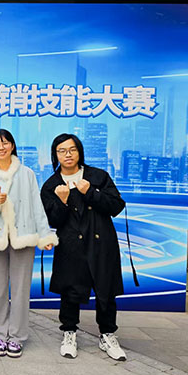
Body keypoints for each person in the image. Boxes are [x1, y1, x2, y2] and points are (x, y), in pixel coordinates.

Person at [41, 133, 131, 361]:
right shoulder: (51, 185)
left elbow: (117, 206)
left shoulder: (97, 176)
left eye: (72, 149)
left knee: (106, 291)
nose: (67, 154)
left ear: (79, 151)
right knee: (70, 291)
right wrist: (62, 201)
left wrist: (90, 192)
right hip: (71, 245)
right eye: (62, 151)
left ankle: (107, 334)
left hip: (102, 243)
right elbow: (53, 221)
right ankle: (69, 333)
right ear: (55, 155)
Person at [0, 129, 57, 358]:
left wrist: (45, 235)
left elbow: (37, 206)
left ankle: (17, 336)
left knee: (20, 290)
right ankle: (0, 334)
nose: (1, 147)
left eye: (5, 143)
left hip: (23, 237)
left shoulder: (27, 173)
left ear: (12, 145)